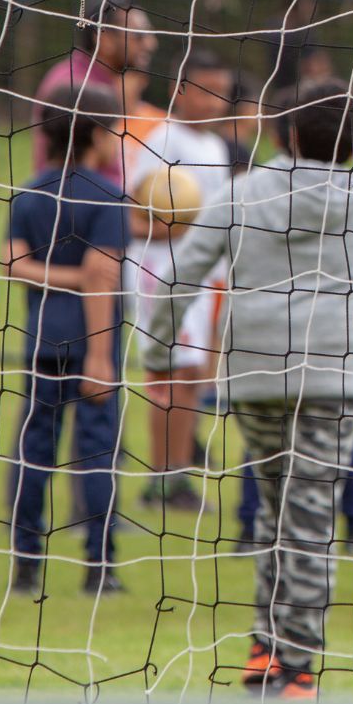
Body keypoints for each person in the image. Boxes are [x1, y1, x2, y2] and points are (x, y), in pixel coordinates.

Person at [142, 82, 353, 699]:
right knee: (311, 518)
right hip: (333, 375)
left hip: (254, 374)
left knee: (273, 509)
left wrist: (157, 354)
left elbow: (180, 273)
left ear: (282, 133)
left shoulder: (241, 191)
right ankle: (294, 665)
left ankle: (269, 647)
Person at [4, 83, 131, 597]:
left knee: (33, 451)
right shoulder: (109, 198)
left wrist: (60, 273)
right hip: (90, 342)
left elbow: (15, 264)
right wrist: (101, 355)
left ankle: (25, 567)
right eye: (115, 129)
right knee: (97, 453)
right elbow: (101, 278)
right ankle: (100, 569)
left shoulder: (29, 193)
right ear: (95, 135)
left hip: (41, 341)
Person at [127, 50, 235, 510]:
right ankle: (161, 479)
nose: (215, 103)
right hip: (162, 270)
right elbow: (134, 214)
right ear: (182, 90)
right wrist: (180, 228)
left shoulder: (215, 147)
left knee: (192, 376)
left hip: (203, 273)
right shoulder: (161, 141)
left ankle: (178, 474)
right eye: (207, 92)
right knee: (169, 376)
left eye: (223, 95)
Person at [32, 0, 156, 177]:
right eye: (139, 36)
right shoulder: (76, 87)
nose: (151, 44)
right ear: (104, 39)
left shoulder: (94, 81)